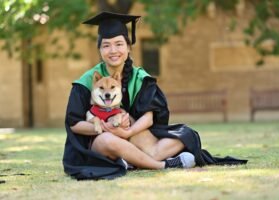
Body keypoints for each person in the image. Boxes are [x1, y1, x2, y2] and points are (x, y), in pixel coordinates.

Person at [62, 12, 247, 180]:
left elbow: (149, 117)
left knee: (185, 135)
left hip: (139, 139)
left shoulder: (141, 78)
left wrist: (127, 132)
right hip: (100, 144)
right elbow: (74, 123)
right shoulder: (87, 81)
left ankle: (133, 161)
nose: (113, 51)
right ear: (100, 50)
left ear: (128, 47)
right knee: (108, 141)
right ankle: (162, 165)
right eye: (106, 45)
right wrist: (106, 128)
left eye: (119, 44)